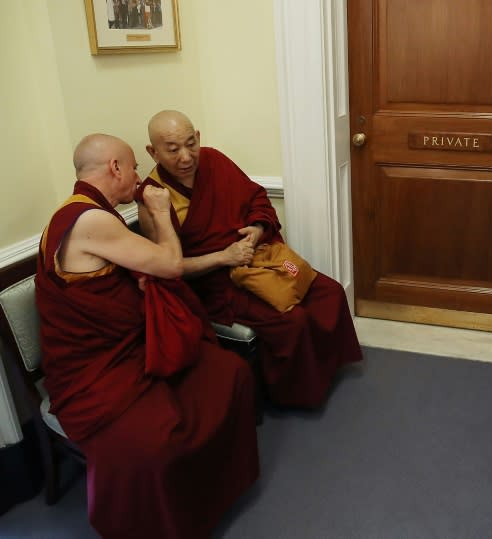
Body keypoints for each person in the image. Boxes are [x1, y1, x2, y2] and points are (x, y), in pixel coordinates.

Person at [35, 134, 260, 539]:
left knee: (228, 373)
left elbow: (132, 273)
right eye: (134, 166)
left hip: (129, 347)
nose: (139, 175)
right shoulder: (90, 220)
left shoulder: (87, 212)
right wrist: (159, 212)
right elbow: (170, 266)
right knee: (155, 441)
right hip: (97, 371)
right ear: (115, 168)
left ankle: (210, 495)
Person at [138, 110, 363, 408]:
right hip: (217, 285)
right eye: (173, 149)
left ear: (199, 138)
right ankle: (296, 394)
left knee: (327, 290)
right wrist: (224, 257)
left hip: (261, 259)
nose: (186, 156)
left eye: (190, 143)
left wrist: (256, 230)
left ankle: (327, 368)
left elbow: (256, 197)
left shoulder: (215, 161)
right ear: (152, 152)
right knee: (291, 320)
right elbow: (169, 268)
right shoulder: (153, 199)